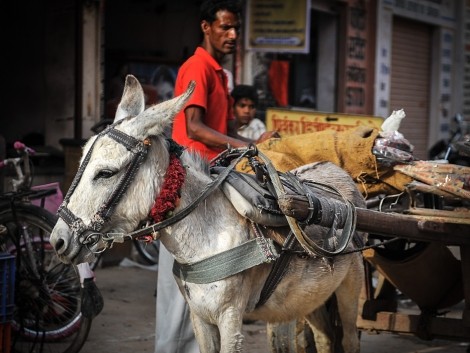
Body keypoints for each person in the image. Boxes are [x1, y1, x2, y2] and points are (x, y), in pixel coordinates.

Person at [155, 1, 278, 352]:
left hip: (209, 180)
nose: (233, 35)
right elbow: (194, 127)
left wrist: (241, 137)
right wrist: (248, 143)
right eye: (225, 27)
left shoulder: (219, 74)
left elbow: (214, 127)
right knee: (183, 285)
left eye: (236, 28)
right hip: (190, 186)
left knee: (210, 279)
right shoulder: (197, 66)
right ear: (206, 27)